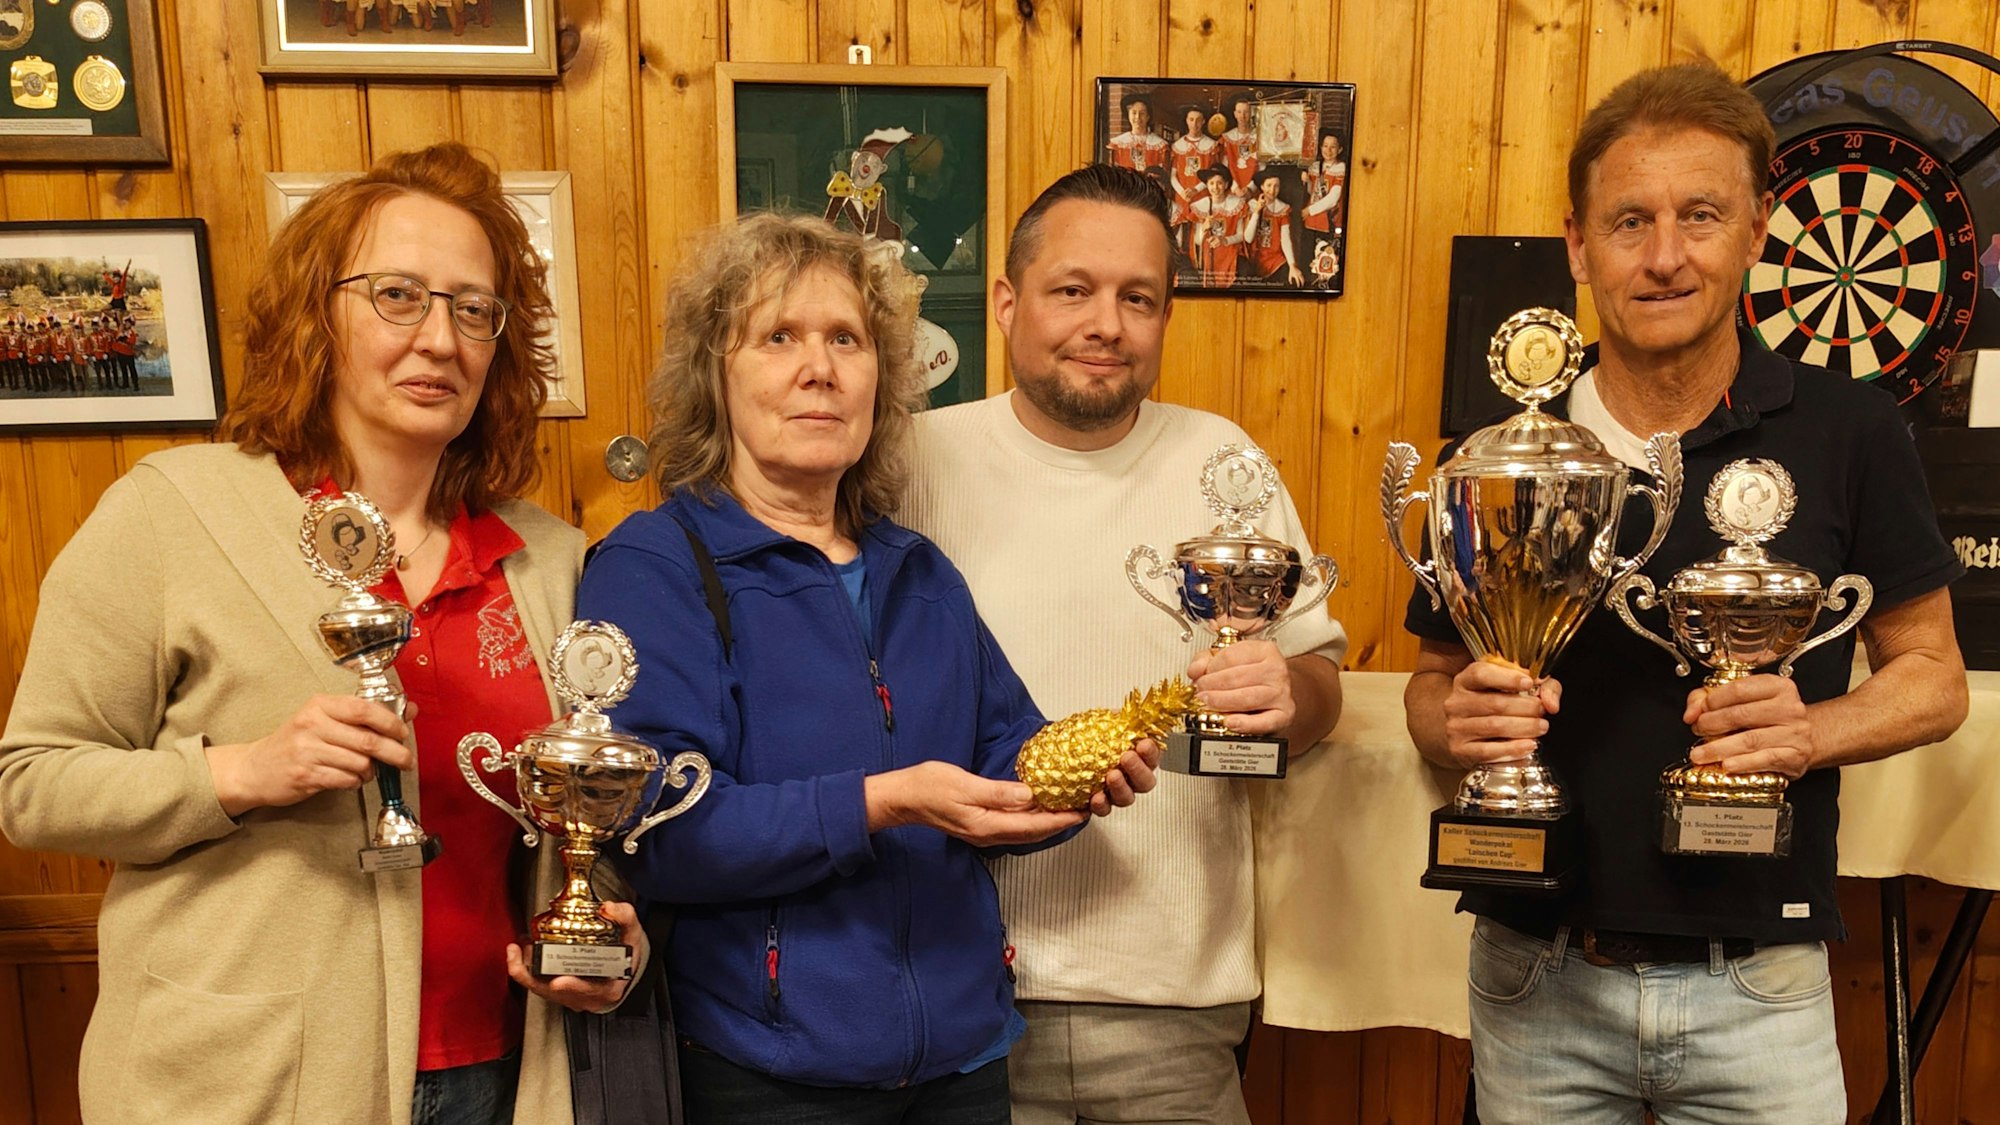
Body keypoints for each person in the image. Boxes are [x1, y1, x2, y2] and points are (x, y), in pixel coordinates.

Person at [0, 142, 625, 1125]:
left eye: (473, 309)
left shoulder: (546, 560)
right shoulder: (174, 512)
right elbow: (31, 785)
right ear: (315, 315)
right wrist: (244, 772)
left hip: (501, 1069)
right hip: (249, 1077)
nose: (440, 339)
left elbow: (569, 813)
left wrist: (600, 938)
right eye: (397, 296)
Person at [1401, 61, 1968, 1123]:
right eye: (1627, 222)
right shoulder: (1492, 459)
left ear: (1755, 230)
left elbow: (1932, 679)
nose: (1662, 257)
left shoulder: (1846, 430)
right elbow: (1429, 691)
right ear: (1576, 244)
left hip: (1758, 984)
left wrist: (1806, 731)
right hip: (1535, 974)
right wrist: (1457, 719)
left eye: (1697, 215)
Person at [576, 211, 1158, 1122]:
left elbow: (1005, 751)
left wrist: (1074, 778)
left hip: (964, 1063)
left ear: (879, 379)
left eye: (846, 338)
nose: (820, 368)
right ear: (713, 376)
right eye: (779, 337)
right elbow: (663, 831)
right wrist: (884, 799)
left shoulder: (916, 571)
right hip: (768, 1074)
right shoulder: (655, 566)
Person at [900, 164, 1346, 1125]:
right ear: (1009, 303)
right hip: (958, 984)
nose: (1107, 322)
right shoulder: (913, 461)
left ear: (1164, 318)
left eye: (1137, 297)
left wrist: (1289, 695)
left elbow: (1318, 686)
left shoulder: (1222, 461)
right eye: (1073, 290)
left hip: (1174, 1001)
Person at [1189, 164, 1246, 288]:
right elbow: (1197, 241)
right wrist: (1204, 228)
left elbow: (1242, 235)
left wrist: (1224, 240)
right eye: (1211, 183)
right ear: (1207, 185)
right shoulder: (1201, 205)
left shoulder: (1237, 204)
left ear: (1226, 185)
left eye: (1219, 183)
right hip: (1209, 258)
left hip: (1230, 256)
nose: (1215, 187)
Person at [1243, 169, 1303, 287]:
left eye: (1276, 186)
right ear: (1262, 187)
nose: (1272, 190)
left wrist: (1292, 265)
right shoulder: (1251, 205)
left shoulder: (1283, 208)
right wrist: (1257, 212)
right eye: (1269, 185)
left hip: (1275, 259)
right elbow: (1248, 238)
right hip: (1254, 258)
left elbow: (1285, 239)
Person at [1106, 93, 1168, 175]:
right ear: (1129, 115)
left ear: (1148, 117)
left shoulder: (1160, 146)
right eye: (1134, 113)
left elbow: (1164, 175)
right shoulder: (1117, 144)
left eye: (1142, 113)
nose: (1137, 117)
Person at [1301, 130, 1346, 238]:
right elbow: (1312, 193)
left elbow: (1333, 199)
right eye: (1325, 146)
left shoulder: (1341, 168)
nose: (1328, 150)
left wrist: (1309, 210)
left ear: (1340, 149)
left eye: (1333, 147)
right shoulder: (1315, 166)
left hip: (1328, 222)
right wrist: (1307, 182)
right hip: (1310, 221)